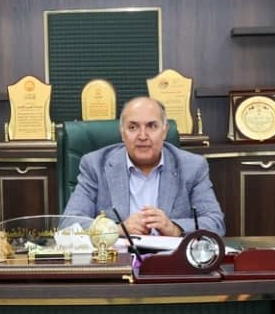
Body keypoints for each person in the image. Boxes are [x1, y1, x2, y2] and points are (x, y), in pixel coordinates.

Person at [64, 96, 225, 236]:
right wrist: (118, 230)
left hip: (170, 258)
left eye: (152, 126)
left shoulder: (192, 167)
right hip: (120, 257)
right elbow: (68, 225)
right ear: (122, 132)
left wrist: (174, 228)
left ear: (164, 131)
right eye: (133, 127)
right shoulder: (95, 165)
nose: (142, 136)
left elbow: (215, 223)